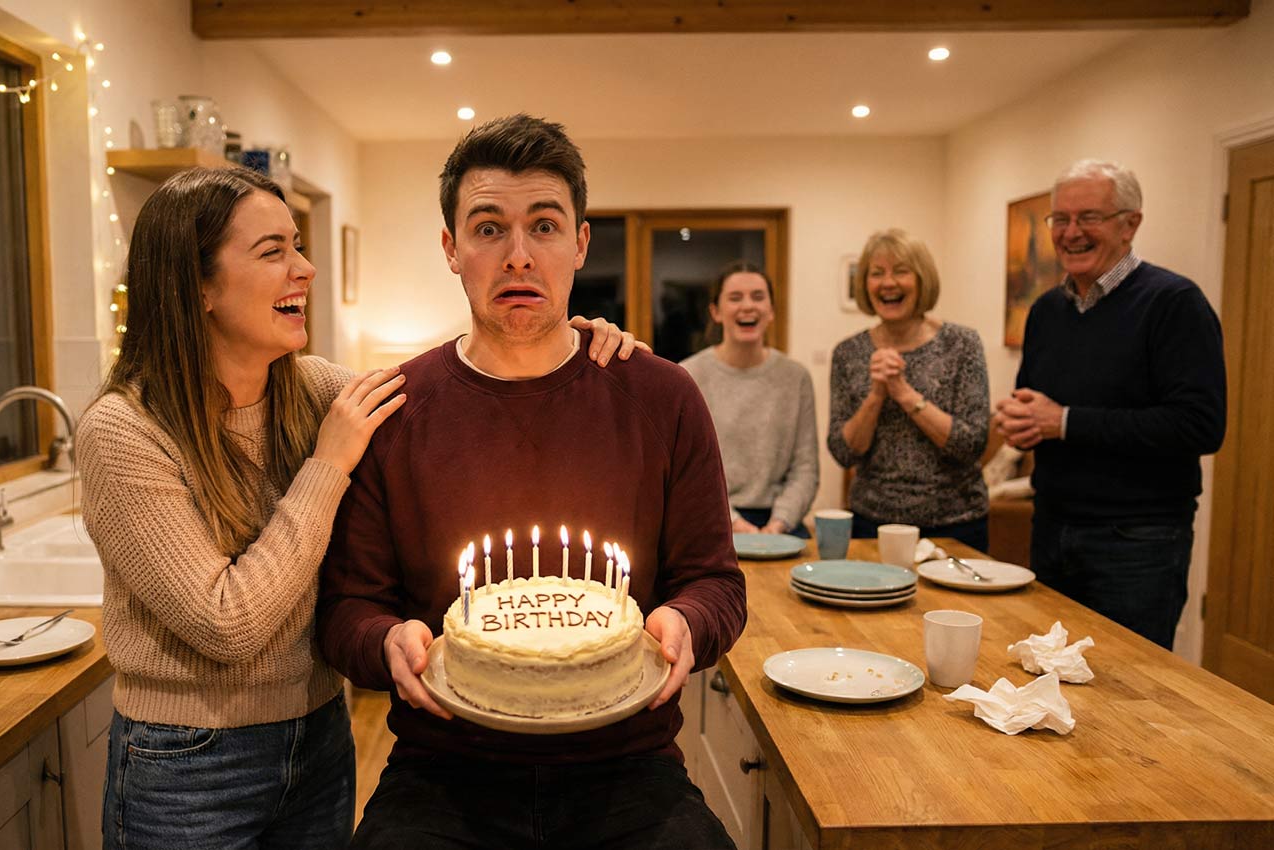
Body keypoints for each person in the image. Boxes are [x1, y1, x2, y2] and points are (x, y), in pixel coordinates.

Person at [75, 167, 644, 850]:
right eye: (273, 251)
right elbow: (227, 624)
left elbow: (456, 394)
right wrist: (329, 464)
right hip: (188, 764)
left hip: (317, 738)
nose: (305, 268)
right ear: (197, 286)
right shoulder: (123, 432)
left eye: (297, 245)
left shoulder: (313, 388)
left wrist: (561, 340)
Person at [317, 114, 747, 850]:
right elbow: (346, 607)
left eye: (544, 226)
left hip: (629, 767)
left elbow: (716, 583)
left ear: (580, 243)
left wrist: (687, 622)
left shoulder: (662, 396)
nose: (518, 255)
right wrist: (385, 640)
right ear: (451, 249)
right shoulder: (395, 410)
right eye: (489, 229)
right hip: (444, 772)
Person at [994, 159, 1226, 650]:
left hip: (1137, 543)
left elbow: (1200, 425)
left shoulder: (1174, 303)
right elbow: (1036, 403)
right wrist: (1021, 423)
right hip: (1051, 526)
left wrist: (1064, 422)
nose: (1071, 232)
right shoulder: (1046, 311)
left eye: (1089, 217)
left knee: (1129, 684)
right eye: (1060, 219)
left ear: (1130, 224)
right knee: (1048, 674)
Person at [827, 229, 991, 552]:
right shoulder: (848, 353)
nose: (888, 283)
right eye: (877, 273)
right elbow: (843, 453)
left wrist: (903, 392)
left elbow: (971, 444)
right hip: (872, 523)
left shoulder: (962, 344)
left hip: (955, 524)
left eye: (901, 271)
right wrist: (876, 395)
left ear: (922, 279)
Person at [681, 262, 818, 537]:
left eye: (758, 297)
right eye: (735, 298)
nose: (747, 306)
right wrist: (733, 523)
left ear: (771, 311)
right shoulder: (688, 376)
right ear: (716, 312)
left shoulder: (797, 377)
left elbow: (805, 468)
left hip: (780, 523)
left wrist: (779, 524)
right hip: (709, 516)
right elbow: (686, 471)